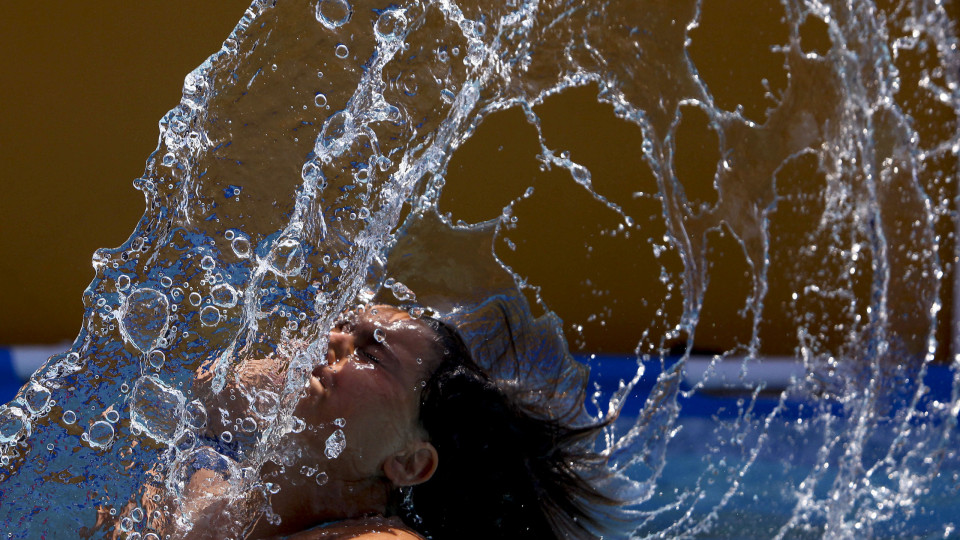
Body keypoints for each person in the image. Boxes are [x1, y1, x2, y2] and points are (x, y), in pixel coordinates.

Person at [165, 303, 618, 539]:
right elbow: (195, 395)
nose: (328, 341)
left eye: (370, 353)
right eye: (342, 325)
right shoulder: (208, 489)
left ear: (408, 463)